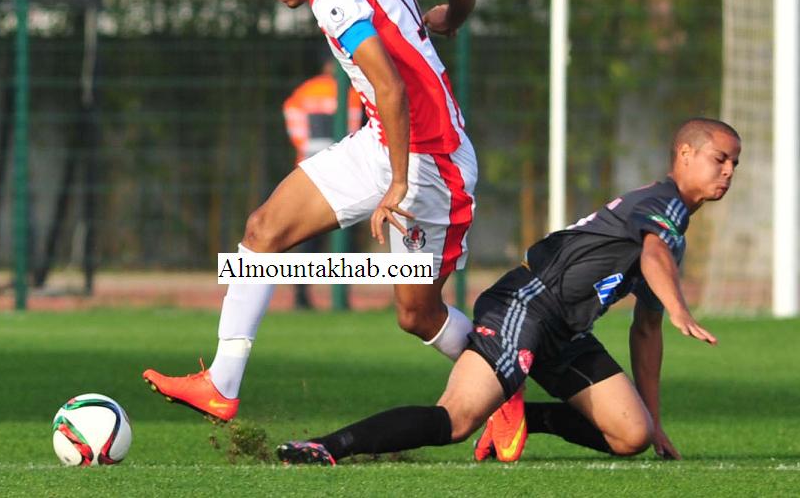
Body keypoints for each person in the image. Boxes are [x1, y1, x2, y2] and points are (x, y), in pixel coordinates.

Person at [142, 0, 480, 423]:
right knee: (263, 230)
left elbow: (389, 86)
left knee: (417, 315)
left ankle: (500, 379)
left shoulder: (335, 0)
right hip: (383, 140)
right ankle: (221, 383)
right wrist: (449, 19)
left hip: (433, 162)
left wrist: (398, 182)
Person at [275, 118, 741, 466]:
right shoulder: (660, 205)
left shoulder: (674, 230)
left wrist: (656, 420)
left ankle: (521, 413)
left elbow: (646, 331)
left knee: (631, 435)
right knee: (456, 419)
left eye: (734, 163)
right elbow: (653, 252)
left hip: (567, 330)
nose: (728, 170)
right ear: (684, 153)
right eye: (720, 158)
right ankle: (330, 445)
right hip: (527, 304)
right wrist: (683, 308)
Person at [282, 57, 363, 309]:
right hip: (340, 171)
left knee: (307, 237)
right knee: (343, 234)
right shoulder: (350, 94)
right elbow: (353, 130)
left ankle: (301, 295)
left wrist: (303, 144)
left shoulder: (305, 91)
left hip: (308, 168)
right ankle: (341, 297)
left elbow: (291, 112)